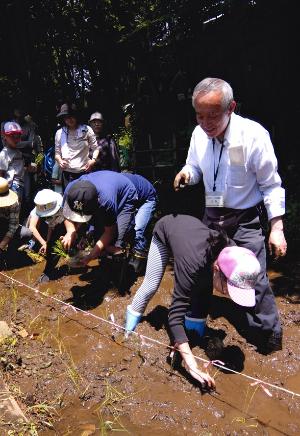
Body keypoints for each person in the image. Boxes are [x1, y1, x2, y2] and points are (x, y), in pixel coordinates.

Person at [173, 77, 286, 352]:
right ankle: (195, 323)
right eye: (200, 115)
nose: (206, 123)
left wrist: (277, 227)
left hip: (244, 217)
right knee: (200, 269)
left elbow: (270, 184)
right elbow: (195, 166)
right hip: (212, 213)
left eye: (213, 115)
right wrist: (188, 173)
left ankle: (269, 334)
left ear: (231, 107)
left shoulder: (252, 135)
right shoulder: (199, 135)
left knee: (252, 277)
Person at [124, 214, 261, 389]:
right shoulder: (192, 263)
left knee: (203, 292)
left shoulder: (235, 255)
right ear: (217, 269)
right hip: (166, 231)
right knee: (151, 284)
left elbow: (207, 287)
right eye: (228, 288)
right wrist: (191, 364)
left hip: (197, 243)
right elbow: (174, 315)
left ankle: (194, 332)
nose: (228, 294)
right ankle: (127, 330)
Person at [60, 170, 138, 265]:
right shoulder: (70, 191)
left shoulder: (106, 202)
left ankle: (133, 255)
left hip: (125, 193)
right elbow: (65, 213)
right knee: (98, 234)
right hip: (103, 188)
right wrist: (70, 231)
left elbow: (110, 232)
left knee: (119, 238)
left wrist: (91, 255)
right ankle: (105, 260)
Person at [55, 103, 99, 191]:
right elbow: (57, 153)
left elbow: (95, 148)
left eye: (71, 116)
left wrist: (93, 161)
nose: (69, 119)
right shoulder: (59, 133)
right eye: (66, 117)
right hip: (67, 174)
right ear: (63, 119)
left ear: (76, 116)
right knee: (69, 200)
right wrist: (59, 161)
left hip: (84, 172)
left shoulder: (86, 130)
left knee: (84, 199)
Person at [122, 172, 158, 274]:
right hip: (134, 195)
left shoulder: (119, 192)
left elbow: (129, 221)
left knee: (137, 230)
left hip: (147, 197)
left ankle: (138, 266)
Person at [31, 189, 66, 283]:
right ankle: (48, 270)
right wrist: (47, 242)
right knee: (52, 244)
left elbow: (53, 225)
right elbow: (51, 224)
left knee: (58, 243)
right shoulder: (39, 208)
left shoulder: (63, 207)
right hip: (53, 223)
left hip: (67, 222)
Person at [0, 122, 25, 200]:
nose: (16, 139)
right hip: (11, 186)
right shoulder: (4, 154)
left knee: (18, 209)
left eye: (18, 136)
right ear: (5, 137)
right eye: (13, 136)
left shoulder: (19, 151)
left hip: (20, 184)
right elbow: (1, 174)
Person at [0, 177, 20, 270]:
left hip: (5, 226)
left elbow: (13, 226)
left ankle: (10, 256)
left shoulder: (14, 204)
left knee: (26, 233)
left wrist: (1, 246)